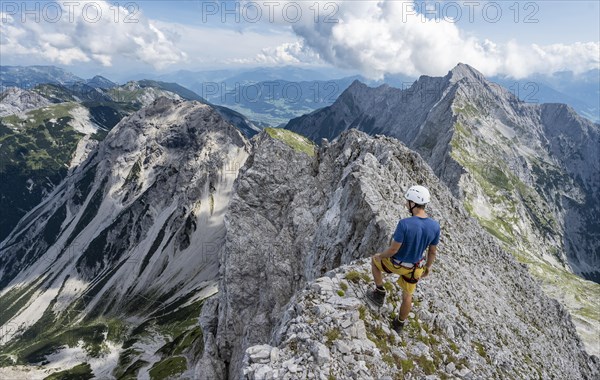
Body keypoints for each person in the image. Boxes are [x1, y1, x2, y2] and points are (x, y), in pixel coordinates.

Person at [366, 185, 441, 333]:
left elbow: (394, 249)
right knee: (408, 296)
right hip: (415, 269)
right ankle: (399, 324)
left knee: (375, 263)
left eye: (408, 201)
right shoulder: (435, 226)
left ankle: (380, 292)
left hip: (396, 264)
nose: (406, 204)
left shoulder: (404, 224)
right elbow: (432, 252)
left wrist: (380, 256)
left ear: (414, 203)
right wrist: (428, 267)